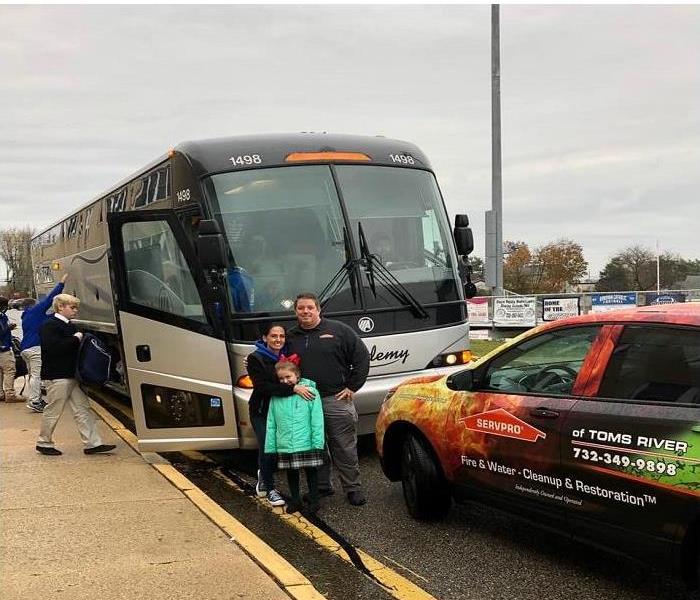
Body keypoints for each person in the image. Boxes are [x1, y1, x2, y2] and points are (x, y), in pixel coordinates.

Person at [286, 293, 370, 506]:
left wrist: (353, 386)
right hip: (305, 401)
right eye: (301, 308)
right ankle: (322, 487)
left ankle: (353, 489)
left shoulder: (339, 331)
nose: (305, 312)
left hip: (335, 399)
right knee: (315, 446)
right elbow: (277, 362)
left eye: (310, 308)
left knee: (344, 446)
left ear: (318, 309)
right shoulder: (290, 336)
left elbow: (361, 357)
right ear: (295, 311)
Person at [35, 293, 116, 456]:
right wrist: (76, 338)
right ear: (60, 307)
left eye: (76, 307)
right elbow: (53, 349)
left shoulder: (68, 325)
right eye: (72, 307)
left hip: (71, 375)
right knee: (54, 410)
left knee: (82, 409)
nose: (75, 311)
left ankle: (93, 444)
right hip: (57, 375)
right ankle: (44, 442)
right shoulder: (50, 325)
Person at [247, 323, 314, 507]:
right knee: (268, 448)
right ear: (264, 338)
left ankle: (264, 473)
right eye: (273, 336)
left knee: (279, 450)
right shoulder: (255, 359)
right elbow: (263, 387)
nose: (278, 339)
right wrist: (293, 388)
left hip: (282, 411)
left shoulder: (288, 357)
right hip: (262, 411)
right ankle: (270, 489)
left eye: (281, 336)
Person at [265, 360, 324, 514]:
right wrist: (271, 445)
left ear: (297, 376)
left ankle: (314, 500)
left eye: (288, 377)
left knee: (311, 471)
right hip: (285, 442)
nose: (285, 381)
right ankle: (296, 500)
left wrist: (318, 441)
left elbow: (317, 418)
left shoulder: (311, 392)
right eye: (281, 379)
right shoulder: (276, 396)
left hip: (307, 441)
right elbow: (271, 422)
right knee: (291, 473)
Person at [20, 273, 68, 412]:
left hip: (26, 349)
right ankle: (35, 401)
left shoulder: (27, 316)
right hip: (35, 348)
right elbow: (50, 299)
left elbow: (49, 318)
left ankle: (36, 399)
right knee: (36, 375)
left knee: (33, 375)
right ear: (33, 305)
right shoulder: (36, 310)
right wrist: (61, 283)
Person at [0, 296, 20, 403]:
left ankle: (0, 394)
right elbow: (2, 332)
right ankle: (10, 394)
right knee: (9, 371)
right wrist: (9, 328)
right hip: (3, 349)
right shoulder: (2, 317)